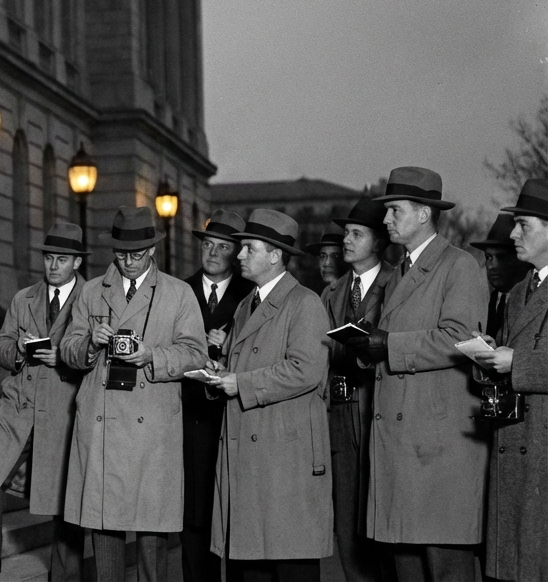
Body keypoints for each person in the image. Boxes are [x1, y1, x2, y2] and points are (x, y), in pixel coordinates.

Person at [344, 167, 488, 582]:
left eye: (394, 211)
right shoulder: (400, 274)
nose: (385, 220)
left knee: (445, 565)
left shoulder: (459, 267)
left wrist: (387, 344)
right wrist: (364, 348)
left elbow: (460, 338)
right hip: (402, 444)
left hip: (437, 447)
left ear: (424, 214)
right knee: (405, 563)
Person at [60, 206, 206, 582]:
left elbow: (196, 355)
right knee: (104, 527)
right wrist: (90, 345)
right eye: (121, 254)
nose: (127, 262)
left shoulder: (179, 294)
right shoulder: (92, 291)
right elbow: (68, 351)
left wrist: (152, 356)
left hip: (152, 429)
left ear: (153, 250)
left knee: (152, 535)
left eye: (136, 254)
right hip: (102, 424)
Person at [200, 208, 333, 582]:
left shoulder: (304, 303)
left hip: (284, 459)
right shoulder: (247, 305)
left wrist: (239, 383)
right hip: (252, 458)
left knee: (289, 562)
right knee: (252, 565)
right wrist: (219, 375)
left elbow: (306, 370)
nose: (238, 255)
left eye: (248, 249)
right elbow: (240, 366)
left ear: (275, 255)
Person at [0, 223, 88, 579]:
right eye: (49, 258)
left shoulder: (90, 300)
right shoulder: (23, 298)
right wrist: (18, 349)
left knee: (64, 494)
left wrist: (61, 356)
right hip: (18, 403)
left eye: (62, 259)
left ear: (76, 263)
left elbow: (93, 354)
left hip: (64, 407)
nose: (53, 266)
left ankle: (64, 572)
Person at [472, 179, 548, 582]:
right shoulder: (520, 291)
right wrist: (486, 352)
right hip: (514, 445)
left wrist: (514, 361)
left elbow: (522, 359)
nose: (514, 234)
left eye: (525, 225)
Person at [181, 209, 257, 582]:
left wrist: (229, 345)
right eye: (207, 244)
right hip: (191, 419)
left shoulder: (252, 295)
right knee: (195, 516)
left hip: (236, 418)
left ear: (237, 252)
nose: (211, 253)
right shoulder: (180, 291)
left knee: (236, 514)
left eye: (222, 246)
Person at [323, 197, 394, 582]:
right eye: (346, 233)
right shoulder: (332, 293)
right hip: (339, 411)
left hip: (376, 410)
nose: (346, 241)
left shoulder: (396, 284)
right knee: (347, 516)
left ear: (379, 241)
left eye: (356, 234)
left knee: (379, 514)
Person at [470, 213, 531, 340]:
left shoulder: (532, 300)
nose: (492, 265)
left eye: (501, 257)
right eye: (488, 257)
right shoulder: (484, 303)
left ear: (520, 258)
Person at [306, 225, 349, 290]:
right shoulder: (325, 293)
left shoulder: (352, 292)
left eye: (334, 256)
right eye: (323, 256)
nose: (327, 263)